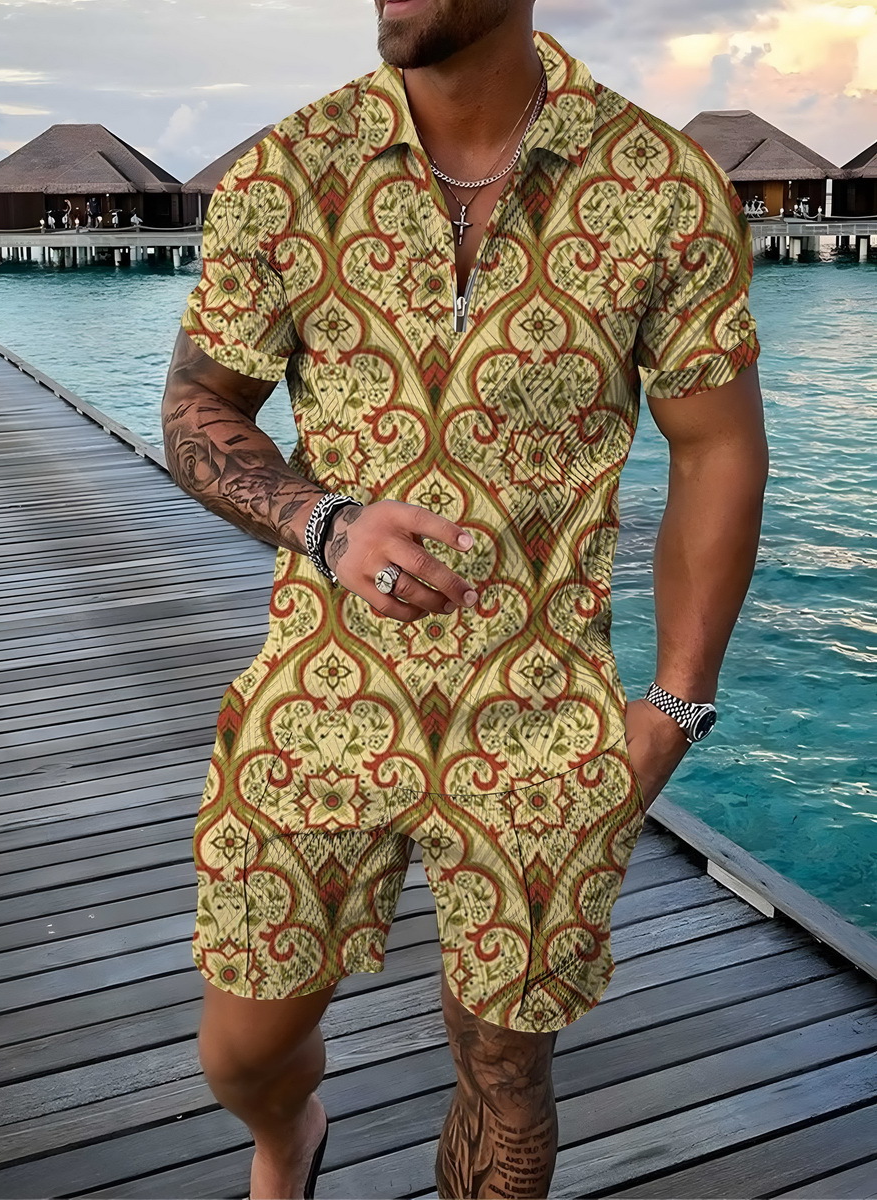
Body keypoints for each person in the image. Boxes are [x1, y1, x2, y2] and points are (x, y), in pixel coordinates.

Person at [162, 2, 768, 1197]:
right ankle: (288, 1135)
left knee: (505, 1071)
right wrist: (324, 522)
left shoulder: (659, 185)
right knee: (242, 1049)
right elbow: (197, 408)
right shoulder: (290, 172)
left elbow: (717, 447)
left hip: (539, 715)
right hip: (323, 689)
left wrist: (676, 702)